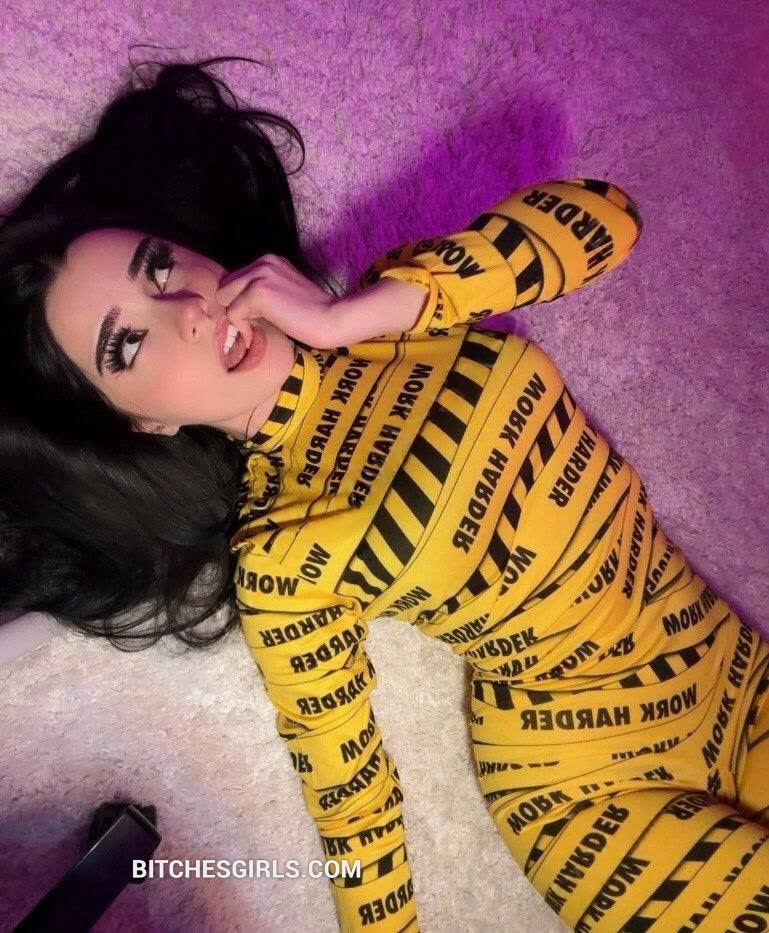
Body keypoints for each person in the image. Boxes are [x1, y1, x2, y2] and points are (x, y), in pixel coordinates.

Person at [2, 54, 767, 933]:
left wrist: (351, 317)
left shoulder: (398, 302)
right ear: (144, 425)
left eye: (160, 266)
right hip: (586, 793)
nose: (189, 312)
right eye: (128, 346)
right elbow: (352, 804)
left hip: (725, 664)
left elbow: (604, 218)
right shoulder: (281, 558)